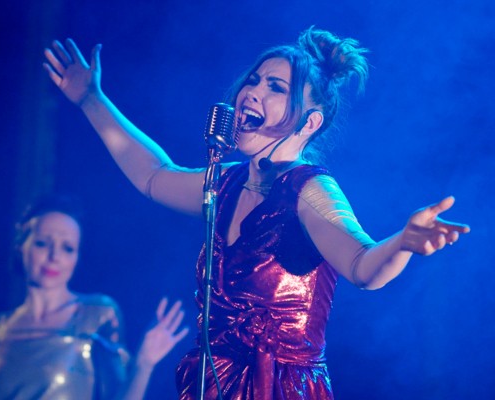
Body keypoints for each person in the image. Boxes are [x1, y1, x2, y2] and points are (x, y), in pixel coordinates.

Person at [42, 26, 470, 399]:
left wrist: (402, 243)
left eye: (276, 88)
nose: (251, 92)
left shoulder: (309, 190)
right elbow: (154, 176)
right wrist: (91, 100)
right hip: (214, 384)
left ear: (310, 123)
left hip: (279, 388)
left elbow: (362, 265)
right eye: (254, 80)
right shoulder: (227, 182)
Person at [0, 195, 188, 400]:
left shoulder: (96, 314)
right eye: (42, 243)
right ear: (21, 247)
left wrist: (143, 365)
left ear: (76, 258)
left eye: (67, 248)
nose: (54, 256)